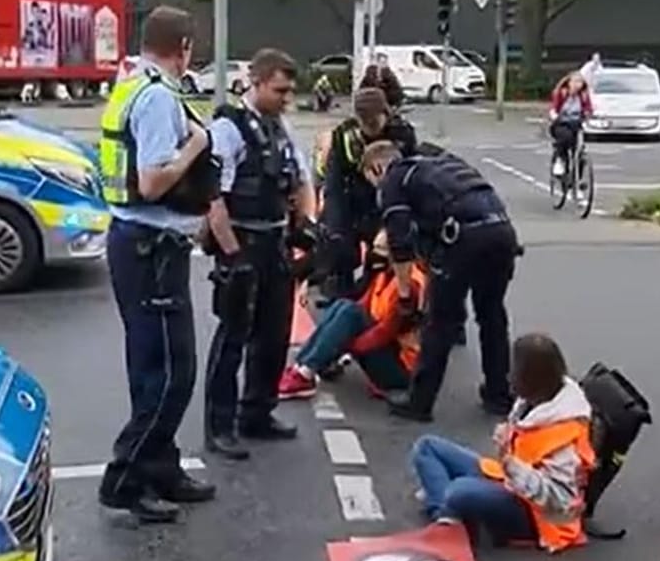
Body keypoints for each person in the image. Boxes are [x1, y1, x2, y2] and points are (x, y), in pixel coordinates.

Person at [94, 6, 220, 524]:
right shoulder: (158, 98)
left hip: (138, 244)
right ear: (184, 45)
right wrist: (197, 144)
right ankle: (123, 479)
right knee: (172, 374)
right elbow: (151, 182)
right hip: (151, 247)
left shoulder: (130, 83)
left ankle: (161, 467)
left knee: (152, 369)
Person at [202, 48, 316, 461]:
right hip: (242, 242)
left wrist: (307, 226)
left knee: (273, 335)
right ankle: (219, 424)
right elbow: (213, 198)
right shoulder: (228, 128)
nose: (286, 98)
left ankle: (257, 412)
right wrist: (232, 255)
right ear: (257, 81)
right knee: (232, 338)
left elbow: (300, 179)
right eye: (280, 90)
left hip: (275, 242)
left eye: (289, 91)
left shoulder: (280, 127)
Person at [360, 140, 517, 422]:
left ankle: (419, 402)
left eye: (371, 180)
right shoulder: (441, 165)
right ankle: (498, 393)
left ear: (377, 167)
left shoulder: (395, 179)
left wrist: (406, 295)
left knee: (439, 323)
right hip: (502, 231)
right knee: (492, 315)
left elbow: (400, 242)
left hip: (463, 238)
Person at [407, 333, 594, 551]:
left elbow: (559, 499)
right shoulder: (532, 401)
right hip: (506, 480)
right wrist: (508, 436)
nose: (509, 375)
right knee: (427, 447)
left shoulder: (564, 434)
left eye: (515, 370)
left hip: (534, 513)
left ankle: (447, 511)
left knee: (459, 490)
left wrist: (512, 464)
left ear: (531, 379)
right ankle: (448, 516)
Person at [278, 231, 428, 401]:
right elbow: (362, 306)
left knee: (349, 313)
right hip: (388, 351)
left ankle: (305, 373)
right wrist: (334, 341)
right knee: (343, 305)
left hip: (403, 369)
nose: (375, 254)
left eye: (382, 250)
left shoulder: (409, 288)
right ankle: (301, 366)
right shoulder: (385, 275)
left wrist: (345, 344)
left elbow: (384, 333)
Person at [321, 87, 421, 300]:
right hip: (354, 199)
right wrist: (335, 225)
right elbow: (334, 183)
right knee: (339, 246)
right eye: (364, 124)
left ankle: (379, 294)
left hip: (390, 201)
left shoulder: (402, 134)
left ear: (385, 113)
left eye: (374, 124)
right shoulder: (344, 136)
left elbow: (413, 181)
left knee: (386, 252)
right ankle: (341, 293)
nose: (370, 130)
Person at [548, 72, 594, 179]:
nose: (577, 85)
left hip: (576, 124)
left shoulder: (583, 95)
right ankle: (559, 159)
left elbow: (588, 108)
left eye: (580, 82)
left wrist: (588, 114)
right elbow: (553, 108)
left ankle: (577, 181)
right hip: (561, 124)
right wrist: (554, 115)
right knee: (565, 137)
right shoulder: (561, 93)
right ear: (569, 83)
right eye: (575, 82)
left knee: (579, 154)